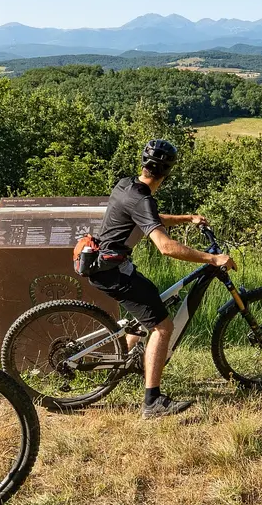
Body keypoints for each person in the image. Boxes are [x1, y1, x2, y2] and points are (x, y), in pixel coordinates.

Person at [86, 138, 236, 417]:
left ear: (144, 164)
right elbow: (166, 247)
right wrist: (212, 258)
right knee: (163, 327)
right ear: (167, 173)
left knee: (152, 302)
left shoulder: (126, 185)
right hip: (112, 271)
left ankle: (126, 362)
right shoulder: (142, 198)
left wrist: (187, 218)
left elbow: (149, 217)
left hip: (107, 265)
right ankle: (152, 402)